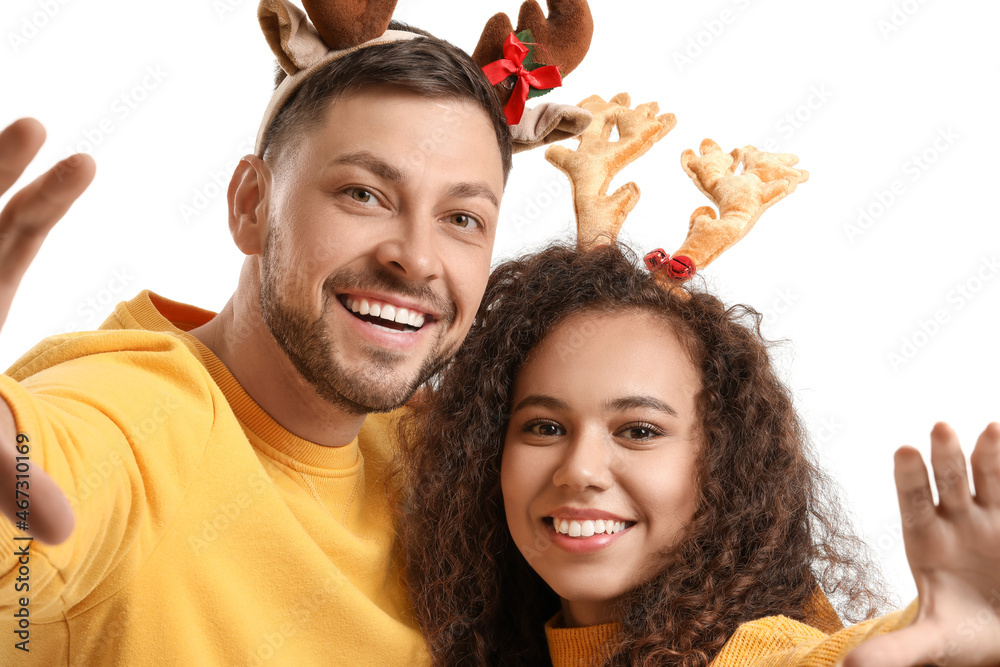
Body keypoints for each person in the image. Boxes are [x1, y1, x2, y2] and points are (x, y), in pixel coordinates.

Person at [0, 16, 512, 665]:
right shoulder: (142, 414)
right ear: (250, 204)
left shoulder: (434, 461)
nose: (415, 258)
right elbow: (40, 480)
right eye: (364, 194)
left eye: (462, 218)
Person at [399, 242, 1000, 666]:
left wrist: (952, 627)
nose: (578, 470)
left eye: (638, 431)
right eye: (545, 427)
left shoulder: (754, 650)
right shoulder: (486, 642)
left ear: (725, 468)